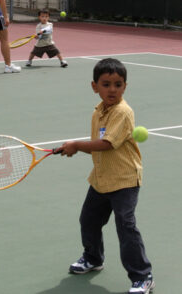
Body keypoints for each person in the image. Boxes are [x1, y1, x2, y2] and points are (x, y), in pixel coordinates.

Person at [56, 58, 154, 294]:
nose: (112, 89)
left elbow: (107, 144)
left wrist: (77, 145)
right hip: (101, 179)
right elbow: (98, 143)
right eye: (106, 84)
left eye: (118, 84)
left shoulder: (122, 111)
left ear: (125, 87)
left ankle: (143, 276)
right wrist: (75, 147)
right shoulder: (99, 111)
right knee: (88, 220)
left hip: (124, 181)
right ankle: (93, 258)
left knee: (126, 227)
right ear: (94, 86)